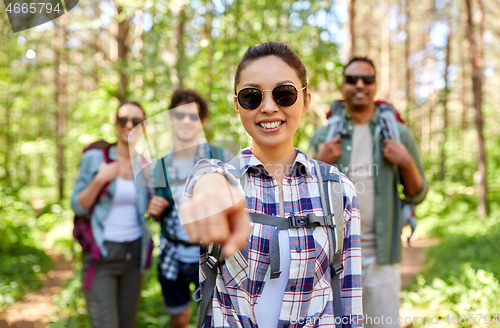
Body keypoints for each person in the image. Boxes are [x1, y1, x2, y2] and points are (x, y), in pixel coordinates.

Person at [179, 41, 363, 328]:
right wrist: (207, 186)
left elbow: (349, 299)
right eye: (252, 96)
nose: (267, 107)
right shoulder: (222, 180)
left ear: (306, 102)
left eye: (284, 94)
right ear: (238, 106)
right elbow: (202, 181)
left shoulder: (338, 190)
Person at [309, 57, 428, 328]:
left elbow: (418, 194)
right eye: (352, 79)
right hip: (333, 260)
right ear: (342, 86)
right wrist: (320, 161)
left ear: (375, 85)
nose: (359, 85)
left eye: (367, 79)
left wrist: (406, 162)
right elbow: (305, 200)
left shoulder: (398, 135)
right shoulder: (323, 137)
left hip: (382, 258)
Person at [146, 89, 232, 328]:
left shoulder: (218, 157)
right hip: (173, 255)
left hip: (211, 254)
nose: (186, 121)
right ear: (171, 119)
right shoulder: (160, 166)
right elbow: (156, 210)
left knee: (215, 317)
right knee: (179, 318)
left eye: (193, 116)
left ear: (202, 121)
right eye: (180, 115)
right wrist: (154, 210)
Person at [71, 101, 153, 328]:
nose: (129, 125)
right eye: (122, 120)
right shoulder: (95, 159)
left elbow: (152, 208)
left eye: (136, 121)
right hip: (102, 255)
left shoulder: (146, 166)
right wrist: (99, 180)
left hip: (134, 255)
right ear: (115, 124)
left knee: (127, 323)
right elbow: (78, 206)